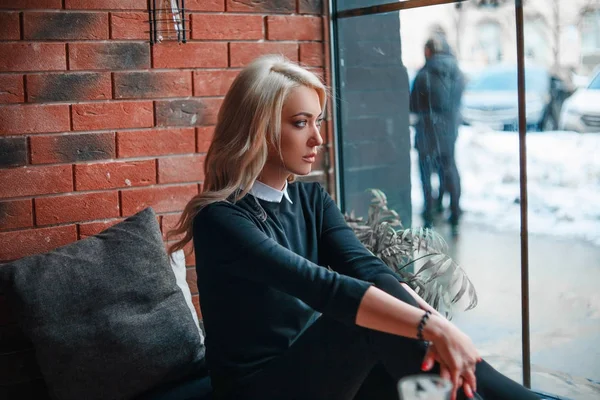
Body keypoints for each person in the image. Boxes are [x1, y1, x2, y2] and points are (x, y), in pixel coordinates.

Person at [169, 55, 539, 400]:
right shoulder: (220, 219)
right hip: (257, 389)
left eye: (317, 121)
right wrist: (433, 326)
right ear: (259, 129)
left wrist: (440, 325)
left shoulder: (311, 200)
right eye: (301, 123)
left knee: (405, 345)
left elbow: (369, 270)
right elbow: (323, 287)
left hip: (314, 372)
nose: (317, 138)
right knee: (366, 321)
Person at [410, 36, 464, 233]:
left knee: (425, 170)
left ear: (428, 51)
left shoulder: (423, 74)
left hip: (427, 131)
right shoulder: (458, 73)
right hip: (449, 130)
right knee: (448, 167)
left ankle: (429, 210)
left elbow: (413, 105)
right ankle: (455, 209)